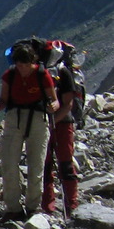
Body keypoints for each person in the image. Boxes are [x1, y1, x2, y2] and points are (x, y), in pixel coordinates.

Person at [0, 42, 58, 220]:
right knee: (8, 163)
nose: (21, 68)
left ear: (32, 61)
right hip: (15, 118)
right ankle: (13, 207)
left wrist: (53, 105)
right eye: (19, 64)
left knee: (36, 165)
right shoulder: (10, 75)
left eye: (25, 64)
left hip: (37, 119)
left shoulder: (42, 74)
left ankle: (32, 207)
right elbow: (4, 99)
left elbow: (54, 99)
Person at [41, 51, 80, 216]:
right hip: (53, 123)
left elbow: (68, 104)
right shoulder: (45, 72)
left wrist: (51, 123)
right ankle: (64, 206)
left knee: (61, 164)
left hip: (60, 124)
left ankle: (67, 205)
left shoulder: (62, 72)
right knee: (47, 165)